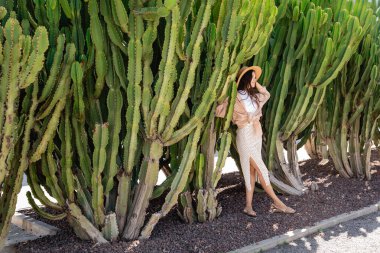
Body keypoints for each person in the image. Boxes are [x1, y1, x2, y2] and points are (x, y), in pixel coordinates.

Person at [215, 66, 296, 217]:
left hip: (256, 135)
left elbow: (267, 94)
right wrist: (226, 96)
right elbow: (218, 111)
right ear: (244, 80)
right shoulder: (234, 99)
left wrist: (255, 84)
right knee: (261, 169)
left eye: (255, 78)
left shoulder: (254, 97)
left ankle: (248, 206)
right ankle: (278, 203)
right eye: (252, 77)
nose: (254, 80)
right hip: (244, 135)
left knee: (251, 170)